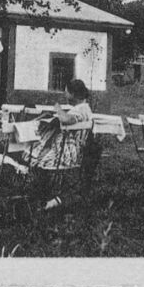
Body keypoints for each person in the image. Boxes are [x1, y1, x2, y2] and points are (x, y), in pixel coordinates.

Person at [30, 79, 94, 210]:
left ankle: (41, 198)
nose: (65, 95)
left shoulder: (81, 109)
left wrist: (58, 109)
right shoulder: (82, 108)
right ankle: (46, 196)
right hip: (72, 149)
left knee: (35, 158)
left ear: (73, 94)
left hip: (68, 153)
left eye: (66, 92)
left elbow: (66, 119)